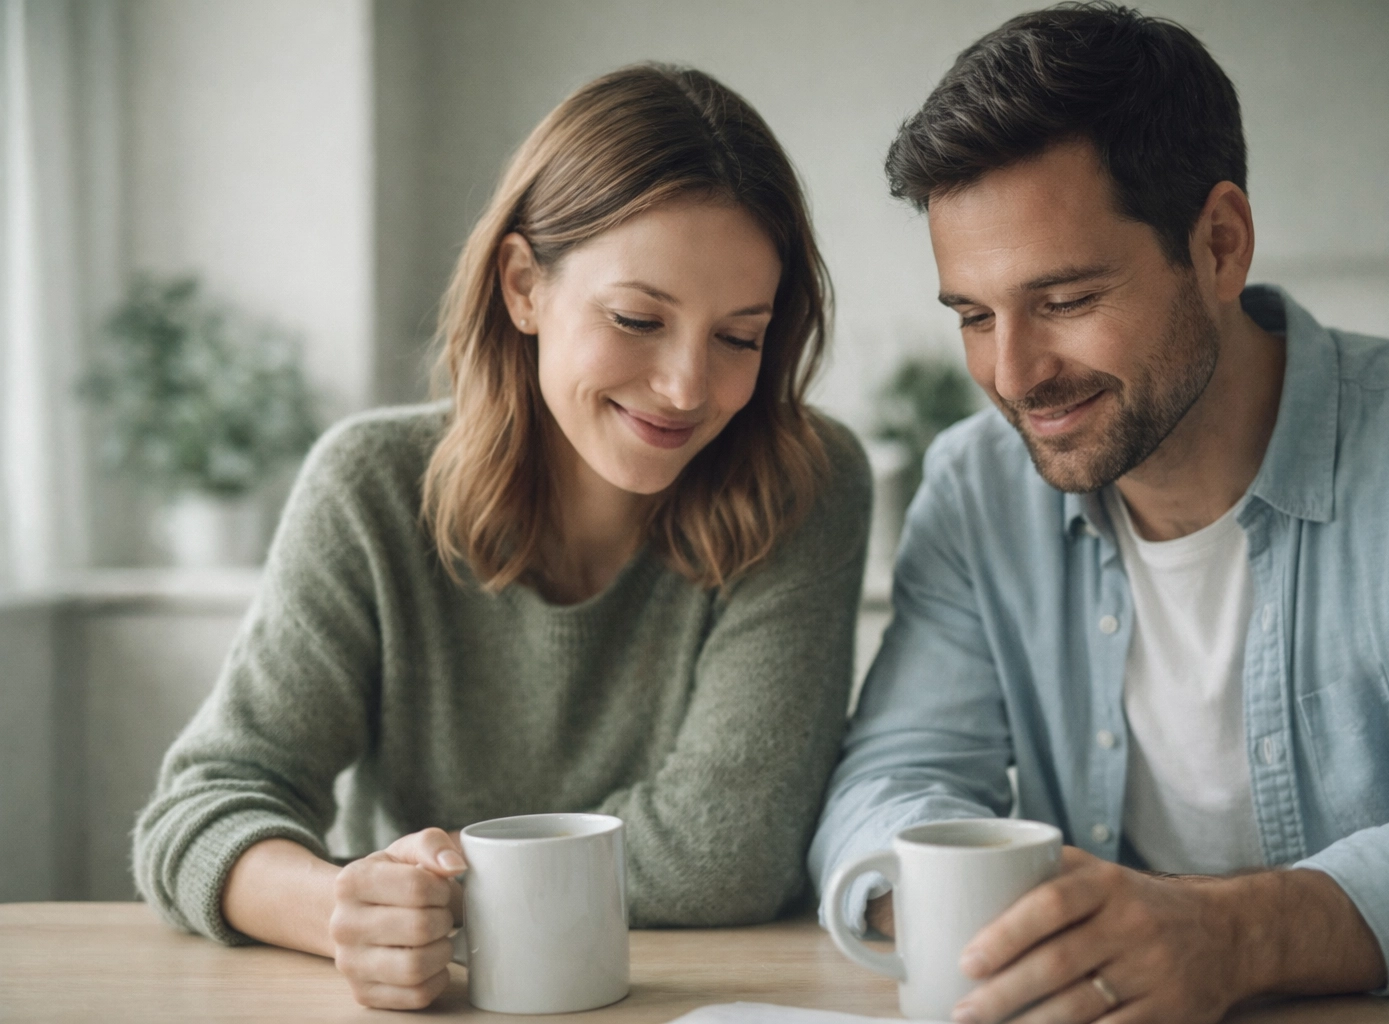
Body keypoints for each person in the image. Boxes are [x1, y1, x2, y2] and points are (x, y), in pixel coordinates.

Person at [809, 5, 1389, 1023]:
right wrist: (997, 916)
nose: (1012, 375)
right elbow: (887, 786)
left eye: (1063, 300)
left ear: (1221, 245)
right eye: (974, 315)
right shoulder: (978, 487)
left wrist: (1228, 937)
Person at [134, 63, 871, 1011]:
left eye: (739, 337)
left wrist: (438, 899)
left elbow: (725, 857)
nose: (690, 387)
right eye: (637, 318)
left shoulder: (802, 484)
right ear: (524, 286)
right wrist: (342, 909)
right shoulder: (368, 486)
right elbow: (199, 809)